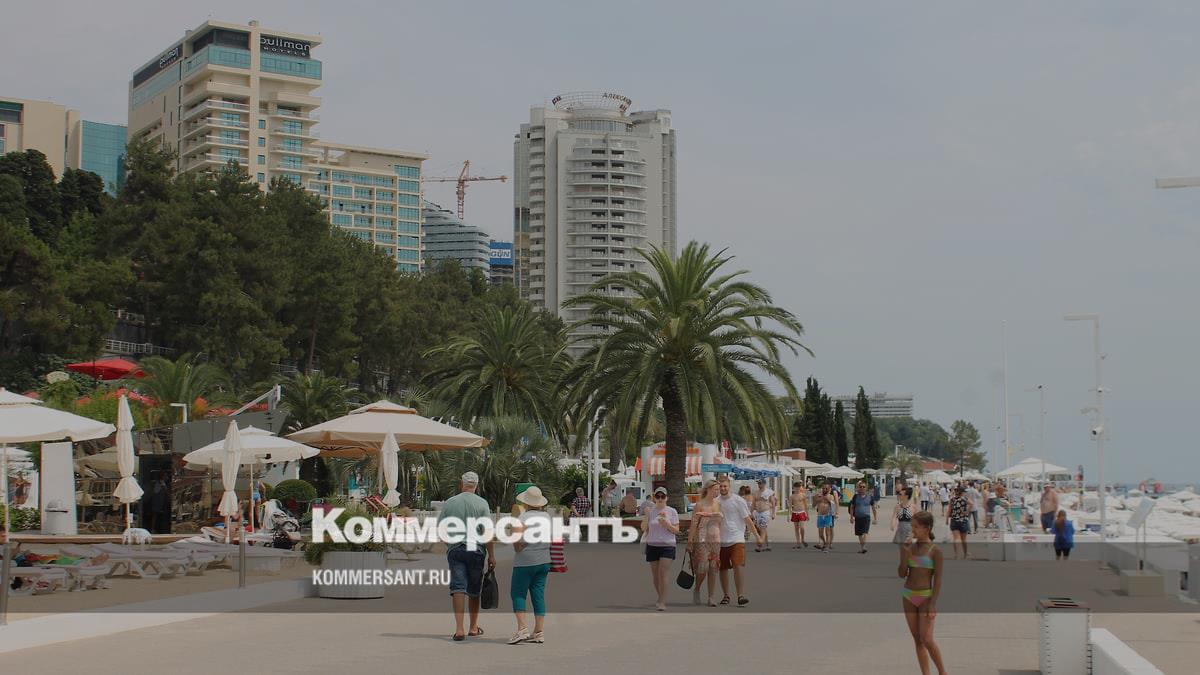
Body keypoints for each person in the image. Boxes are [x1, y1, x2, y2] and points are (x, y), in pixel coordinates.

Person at [439, 471, 495, 642]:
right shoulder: (482, 503)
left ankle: (459, 629)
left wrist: (450, 544)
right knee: (474, 589)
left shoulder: (450, 502)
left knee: (458, 588)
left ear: (461, 483)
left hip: (456, 548)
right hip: (476, 548)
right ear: (476, 485)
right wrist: (491, 555)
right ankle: (473, 627)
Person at [899, 511, 947, 675]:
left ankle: (942, 672)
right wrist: (904, 553)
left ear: (927, 528)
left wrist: (933, 603)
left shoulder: (935, 551)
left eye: (916, 527)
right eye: (912, 526)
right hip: (908, 596)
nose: (912, 530)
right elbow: (901, 573)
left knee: (927, 639)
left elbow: (938, 579)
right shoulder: (910, 548)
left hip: (926, 597)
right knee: (918, 640)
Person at [509, 486, 551, 644]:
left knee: (518, 594)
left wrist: (519, 547)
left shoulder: (523, 517)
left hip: (525, 560)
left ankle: (522, 628)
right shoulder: (547, 517)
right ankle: (539, 631)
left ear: (526, 503)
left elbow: (517, 538)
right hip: (544, 559)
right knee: (538, 594)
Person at [717, 476, 763, 606]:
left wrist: (757, 536)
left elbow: (747, 519)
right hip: (721, 540)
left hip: (737, 538)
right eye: (720, 486)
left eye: (725, 486)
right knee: (723, 568)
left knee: (738, 566)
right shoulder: (716, 501)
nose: (723, 488)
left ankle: (740, 595)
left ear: (729, 486)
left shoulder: (738, 500)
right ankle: (726, 595)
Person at [642, 486, 681, 611]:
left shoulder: (672, 511)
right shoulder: (651, 511)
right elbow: (644, 528)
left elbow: (677, 530)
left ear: (666, 498)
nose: (660, 499)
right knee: (655, 575)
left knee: (662, 572)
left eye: (662, 496)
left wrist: (667, 524)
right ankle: (660, 596)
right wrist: (647, 515)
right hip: (652, 545)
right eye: (657, 496)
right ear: (654, 498)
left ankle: (663, 601)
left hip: (667, 545)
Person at [688, 480, 723, 606]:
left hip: (715, 539)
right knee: (703, 567)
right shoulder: (699, 505)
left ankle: (711, 597)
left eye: (718, 489)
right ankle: (697, 589)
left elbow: (720, 523)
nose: (718, 491)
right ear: (708, 489)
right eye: (716, 489)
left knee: (713, 568)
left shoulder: (718, 504)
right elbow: (694, 524)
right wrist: (690, 541)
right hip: (702, 539)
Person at [849, 481, 879, 554]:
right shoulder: (855, 496)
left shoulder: (870, 497)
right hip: (858, 517)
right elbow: (852, 507)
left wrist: (875, 518)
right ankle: (862, 548)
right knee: (859, 534)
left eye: (863, 487)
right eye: (860, 487)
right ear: (858, 488)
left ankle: (864, 546)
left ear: (866, 488)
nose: (862, 488)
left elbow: (873, 508)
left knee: (865, 532)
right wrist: (851, 517)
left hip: (866, 517)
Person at [948, 486, 972, 559]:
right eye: (964, 492)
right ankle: (965, 554)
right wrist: (966, 512)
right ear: (962, 492)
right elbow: (972, 504)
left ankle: (956, 554)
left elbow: (949, 509)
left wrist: (946, 519)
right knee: (963, 539)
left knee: (956, 538)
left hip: (954, 520)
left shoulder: (952, 499)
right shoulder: (964, 498)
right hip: (963, 520)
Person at [813, 484, 836, 551]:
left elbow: (833, 505)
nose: (824, 490)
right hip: (820, 516)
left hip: (828, 516)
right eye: (823, 488)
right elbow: (813, 505)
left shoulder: (831, 496)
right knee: (820, 534)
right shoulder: (818, 496)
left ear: (829, 489)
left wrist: (827, 499)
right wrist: (816, 500)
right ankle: (825, 542)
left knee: (827, 532)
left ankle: (827, 546)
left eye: (826, 488)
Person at [751, 483, 772, 552]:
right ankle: (768, 545)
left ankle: (759, 546)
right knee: (761, 529)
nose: (759, 485)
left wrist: (774, 513)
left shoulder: (768, 492)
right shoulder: (755, 492)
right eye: (758, 483)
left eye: (760, 483)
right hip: (758, 513)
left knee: (762, 529)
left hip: (765, 513)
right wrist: (750, 513)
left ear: (764, 484)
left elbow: (773, 502)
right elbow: (753, 503)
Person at [789, 481, 809, 548]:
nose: (797, 489)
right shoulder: (792, 496)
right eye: (796, 488)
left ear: (800, 488)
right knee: (796, 528)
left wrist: (807, 514)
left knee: (802, 527)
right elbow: (790, 506)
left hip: (802, 512)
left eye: (798, 487)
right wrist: (788, 515)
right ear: (794, 488)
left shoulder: (803, 495)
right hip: (795, 513)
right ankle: (798, 542)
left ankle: (802, 539)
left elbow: (806, 505)